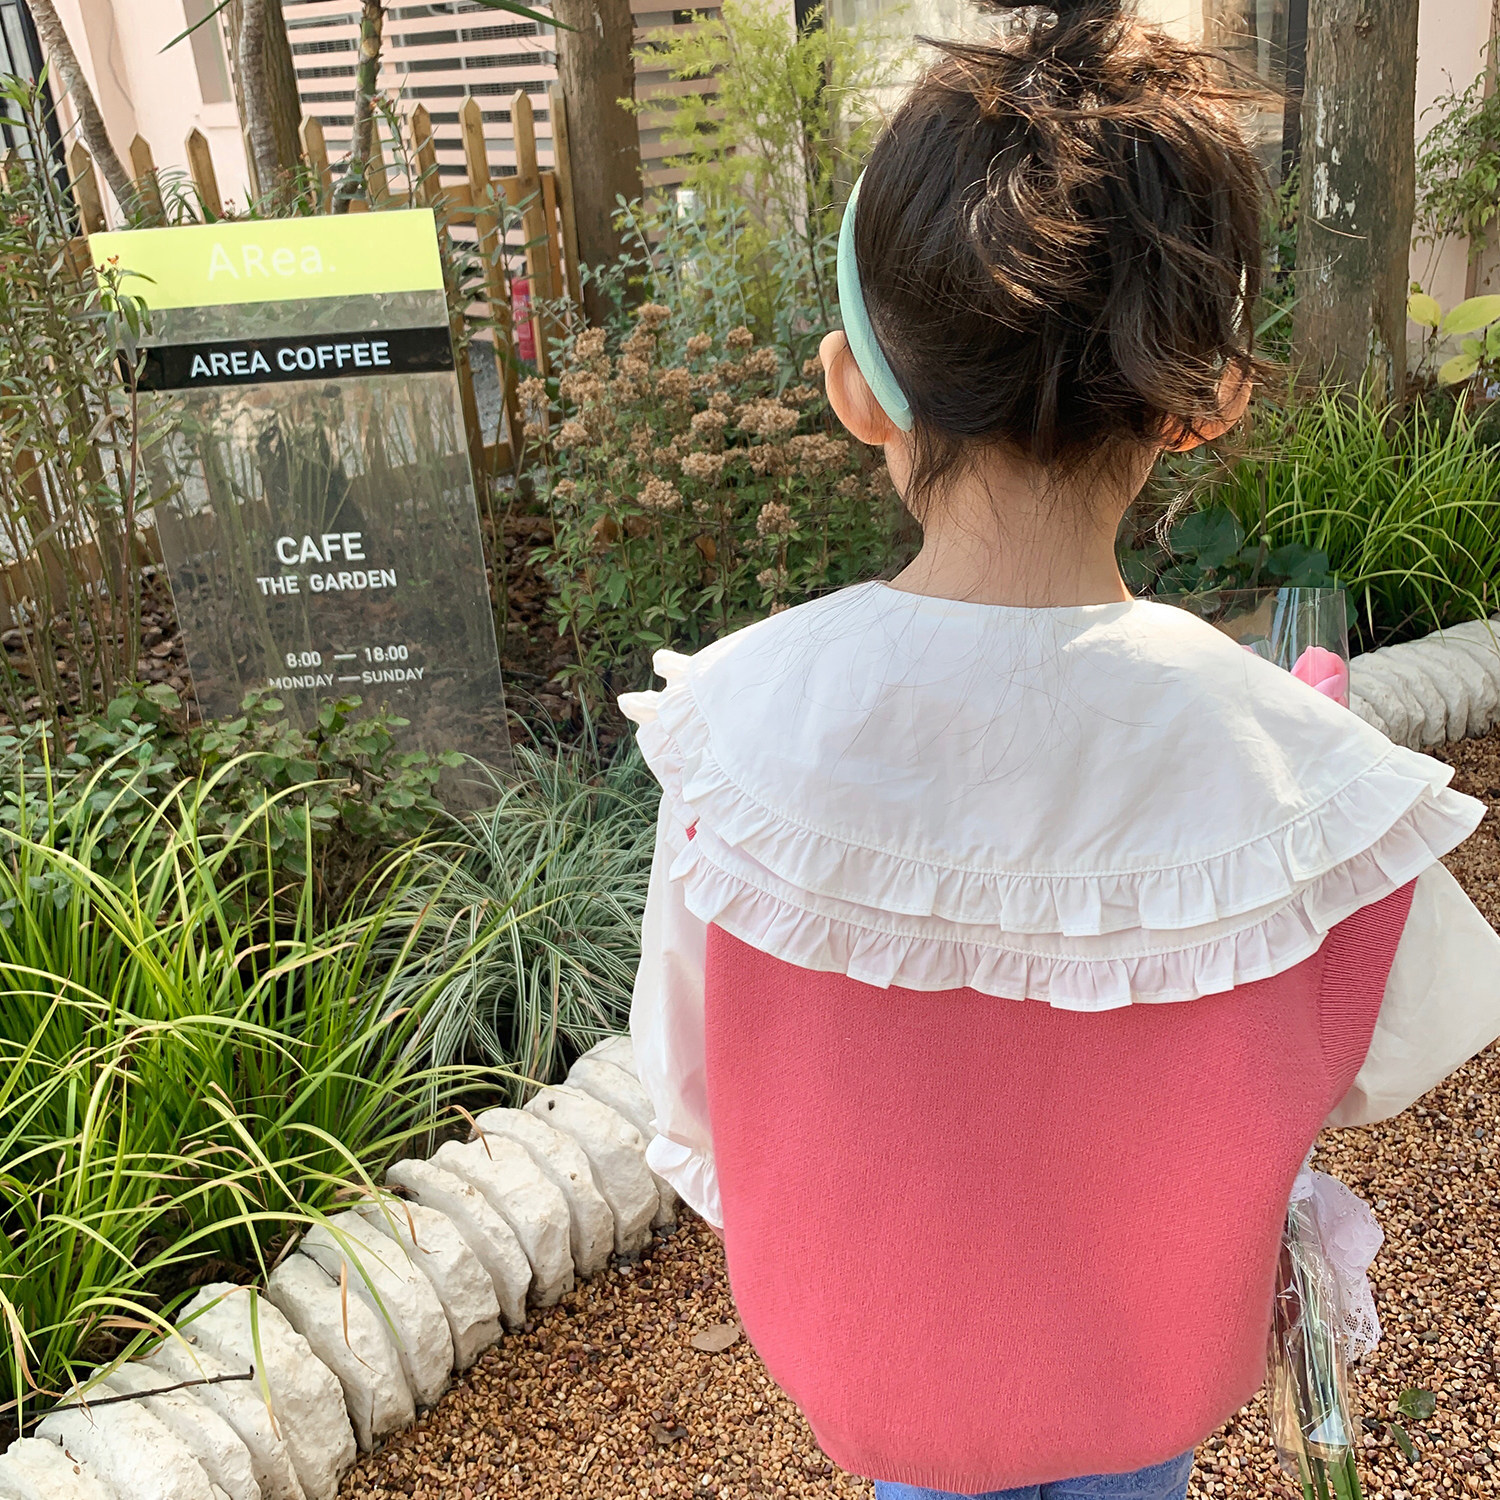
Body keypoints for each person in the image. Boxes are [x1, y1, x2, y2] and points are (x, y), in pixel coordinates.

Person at [620, 2, 1500, 1496]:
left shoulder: (740, 733)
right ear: (1204, 404)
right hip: (1150, 1376)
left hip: (883, 1371)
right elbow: (1389, 1050)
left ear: (856, 387)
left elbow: (689, 1081)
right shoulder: (1289, 764)